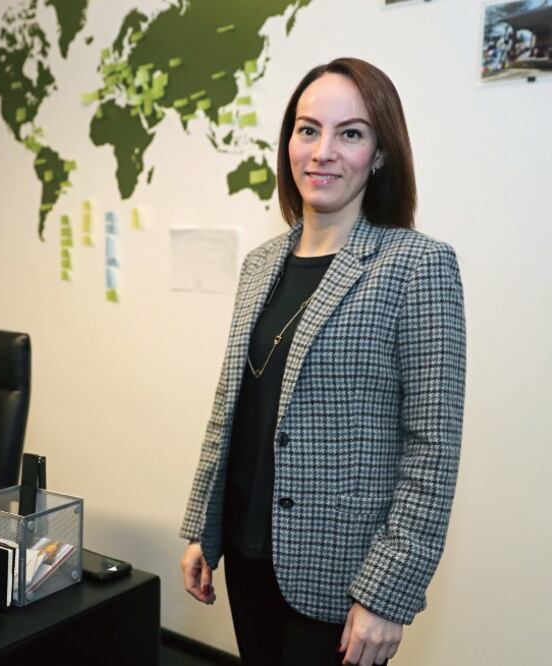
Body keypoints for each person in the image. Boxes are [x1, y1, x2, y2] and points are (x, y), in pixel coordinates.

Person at [179, 57, 466, 666]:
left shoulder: (418, 266)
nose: (323, 151)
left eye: (350, 133)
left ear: (380, 154)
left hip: (343, 577)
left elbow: (432, 448)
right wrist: (205, 527)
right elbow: (232, 406)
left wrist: (388, 592)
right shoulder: (260, 264)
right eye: (308, 130)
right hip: (249, 555)